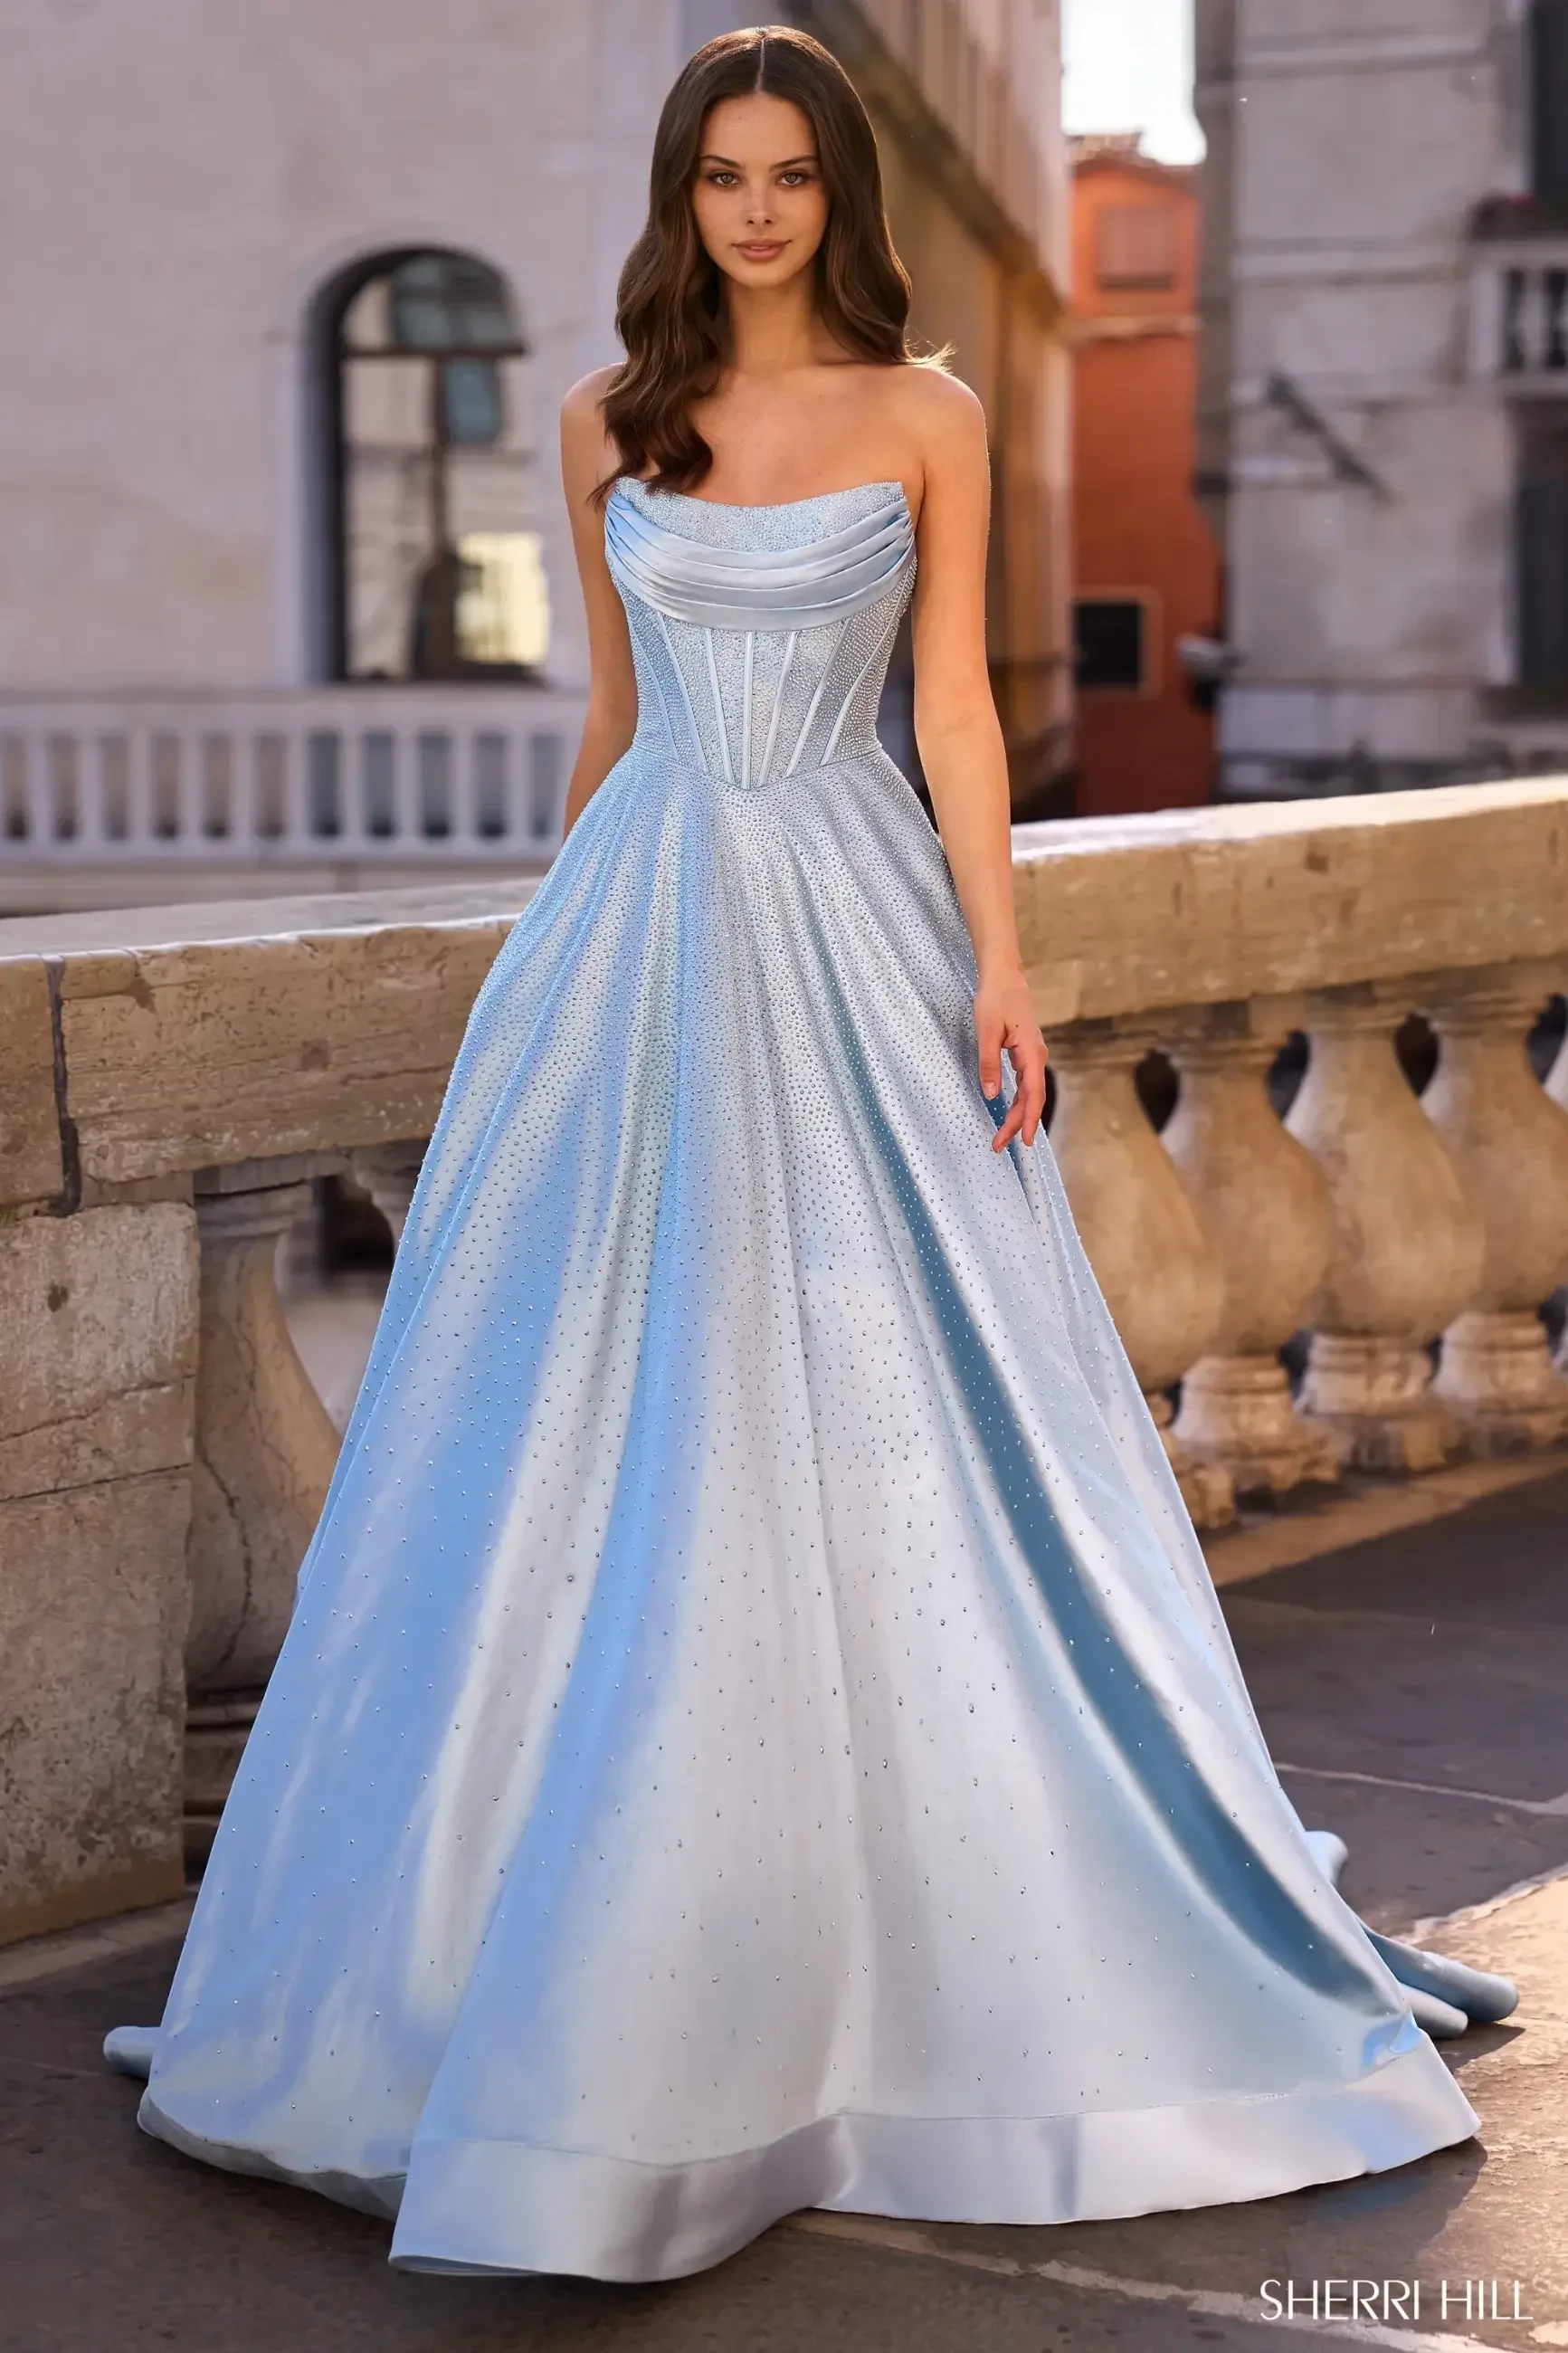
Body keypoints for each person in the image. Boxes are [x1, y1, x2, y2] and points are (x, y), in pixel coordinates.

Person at [106, 25, 1516, 2282]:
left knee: (887, 1385)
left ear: (832, 198)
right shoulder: (601, 423)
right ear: (680, 196)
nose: (754, 209)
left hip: (851, 919)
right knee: (583, 1405)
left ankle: (886, 1930)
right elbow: (612, 719)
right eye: (720, 176)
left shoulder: (927, 412)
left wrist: (1002, 964)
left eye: (786, 175)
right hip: (638, 928)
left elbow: (947, 707)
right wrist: (549, 961)